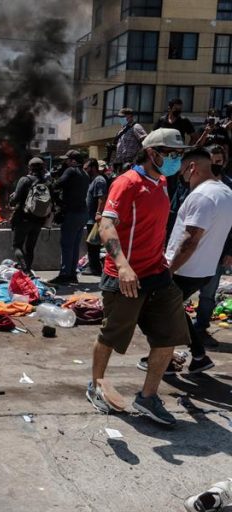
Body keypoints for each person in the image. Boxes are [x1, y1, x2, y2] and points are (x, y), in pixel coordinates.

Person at [87, 128, 192, 426]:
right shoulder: (127, 183)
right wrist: (122, 265)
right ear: (152, 153)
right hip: (125, 278)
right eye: (171, 154)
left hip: (157, 275)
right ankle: (96, 384)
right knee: (111, 336)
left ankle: (148, 397)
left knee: (169, 335)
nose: (176, 160)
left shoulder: (161, 181)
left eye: (179, 155)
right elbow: (107, 225)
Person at [149, 148, 232, 374]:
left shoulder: (201, 196)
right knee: (175, 310)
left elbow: (190, 240)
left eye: (183, 171)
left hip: (184, 269)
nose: (181, 176)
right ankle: (198, 356)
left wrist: (168, 270)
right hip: (204, 269)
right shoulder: (226, 192)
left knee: (161, 312)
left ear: (192, 168)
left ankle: (163, 361)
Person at [195, 146, 232, 345]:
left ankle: (200, 328)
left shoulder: (229, 187)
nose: (215, 165)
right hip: (192, 248)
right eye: (212, 161)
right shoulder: (196, 183)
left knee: (208, 294)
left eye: (219, 161)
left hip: (217, 251)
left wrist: (229, 251)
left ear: (224, 162)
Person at [49, 150, 90, 285]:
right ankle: (72, 274)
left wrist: (52, 181)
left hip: (72, 214)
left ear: (73, 161)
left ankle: (65, 274)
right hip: (82, 213)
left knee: (67, 245)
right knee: (74, 245)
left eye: (67, 160)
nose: (65, 162)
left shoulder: (71, 171)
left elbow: (57, 184)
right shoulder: (84, 174)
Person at [8, 157, 50, 274]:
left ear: (30, 168)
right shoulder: (47, 182)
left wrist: (12, 198)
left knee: (17, 246)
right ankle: (28, 270)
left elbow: (15, 200)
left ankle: (26, 270)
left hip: (23, 219)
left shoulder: (25, 180)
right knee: (30, 248)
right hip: (39, 220)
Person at [82, 158, 108, 276]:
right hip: (90, 217)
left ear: (93, 168)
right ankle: (93, 266)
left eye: (86, 168)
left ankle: (95, 268)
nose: (85, 170)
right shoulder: (92, 180)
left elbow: (102, 198)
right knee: (91, 244)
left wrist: (98, 213)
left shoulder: (99, 180)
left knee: (94, 244)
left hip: (94, 218)